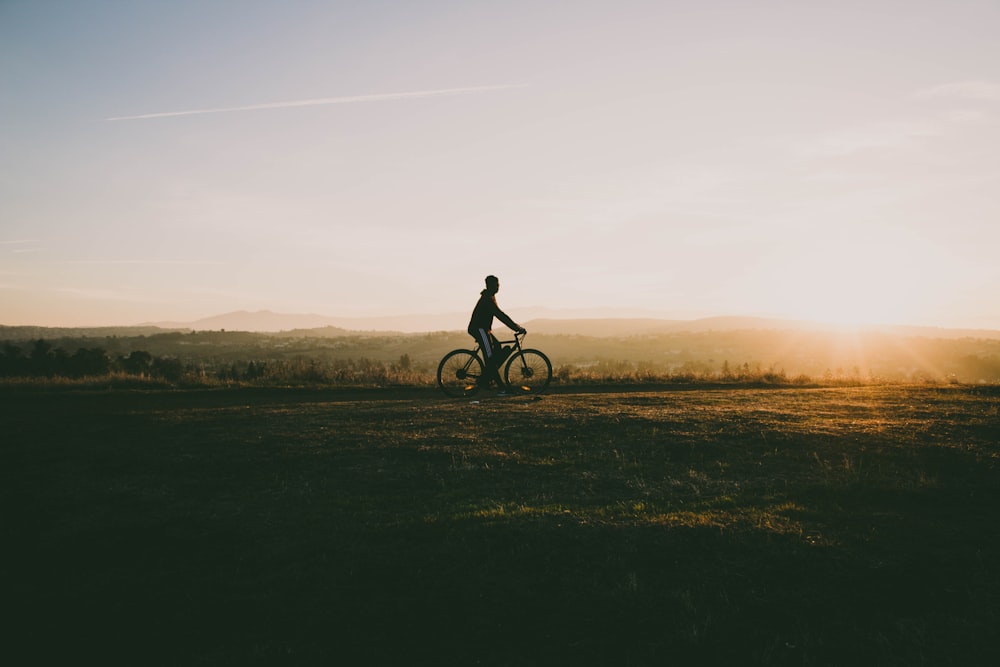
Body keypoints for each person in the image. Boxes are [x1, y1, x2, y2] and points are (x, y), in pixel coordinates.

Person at [468, 275, 526, 393]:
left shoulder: (490, 297)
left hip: (484, 330)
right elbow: (500, 315)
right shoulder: (487, 299)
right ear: (490, 286)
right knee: (490, 359)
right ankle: (501, 387)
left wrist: (515, 327)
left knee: (498, 348)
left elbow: (500, 314)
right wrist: (516, 327)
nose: (498, 287)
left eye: (498, 284)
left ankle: (487, 377)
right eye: (496, 284)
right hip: (480, 330)